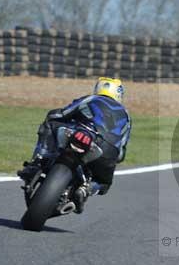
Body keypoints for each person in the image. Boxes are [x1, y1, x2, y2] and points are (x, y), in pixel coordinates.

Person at [18, 77, 131, 210]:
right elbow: (121, 153)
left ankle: (37, 162)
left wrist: (53, 116)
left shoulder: (90, 99)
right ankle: (87, 189)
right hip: (108, 151)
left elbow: (63, 113)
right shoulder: (127, 117)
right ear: (119, 94)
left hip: (83, 134)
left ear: (98, 88)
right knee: (104, 184)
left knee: (50, 124)